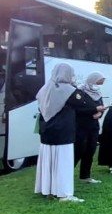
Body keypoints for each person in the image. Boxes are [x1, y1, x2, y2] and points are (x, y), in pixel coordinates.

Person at [34, 64, 90, 202]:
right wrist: (75, 86)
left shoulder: (44, 88)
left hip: (47, 131)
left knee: (48, 161)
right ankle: (64, 193)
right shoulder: (69, 90)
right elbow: (83, 103)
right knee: (63, 163)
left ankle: (48, 190)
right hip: (63, 132)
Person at [74, 72, 106, 184]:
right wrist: (93, 111)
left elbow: (101, 107)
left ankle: (85, 175)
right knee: (78, 150)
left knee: (90, 149)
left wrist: (99, 114)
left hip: (94, 125)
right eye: (98, 81)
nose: (99, 85)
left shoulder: (98, 92)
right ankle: (66, 175)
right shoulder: (80, 92)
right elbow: (78, 109)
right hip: (82, 125)